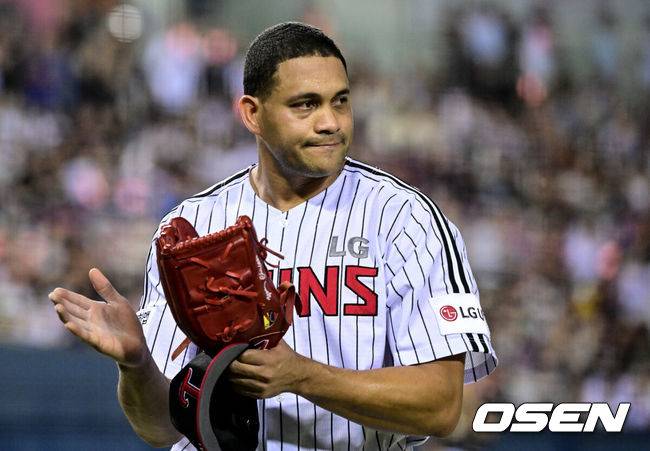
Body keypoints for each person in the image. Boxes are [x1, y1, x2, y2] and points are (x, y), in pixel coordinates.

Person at [49, 22, 498, 450]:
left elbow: (441, 405)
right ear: (252, 114)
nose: (331, 122)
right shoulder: (191, 226)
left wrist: (302, 376)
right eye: (306, 104)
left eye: (340, 101)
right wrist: (137, 364)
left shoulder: (404, 219)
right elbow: (160, 428)